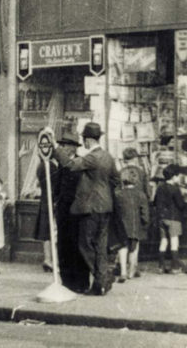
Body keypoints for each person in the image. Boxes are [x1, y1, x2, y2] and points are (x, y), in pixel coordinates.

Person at [54, 121, 121, 296]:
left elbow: (70, 165)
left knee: (84, 245)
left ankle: (103, 277)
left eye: (84, 139)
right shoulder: (107, 156)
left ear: (88, 140)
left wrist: (55, 148)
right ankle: (99, 285)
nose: (84, 142)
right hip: (105, 207)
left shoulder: (92, 157)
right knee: (100, 245)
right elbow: (116, 179)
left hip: (90, 208)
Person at [53, 125, 90, 293]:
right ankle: (67, 281)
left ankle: (80, 282)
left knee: (78, 245)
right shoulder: (60, 164)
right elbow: (57, 185)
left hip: (77, 209)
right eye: (62, 145)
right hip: (63, 209)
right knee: (63, 244)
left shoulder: (81, 163)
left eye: (66, 145)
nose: (63, 148)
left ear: (74, 147)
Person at [113, 168, 149, 282]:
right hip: (135, 226)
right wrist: (145, 223)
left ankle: (123, 271)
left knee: (122, 248)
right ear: (136, 180)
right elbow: (145, 212)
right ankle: (131, 271)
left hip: (121, 226)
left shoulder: (117, 194)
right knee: (134, 248)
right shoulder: (140, 194)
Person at [154, 165, 187, 274]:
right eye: (178, 176)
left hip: (161, 218)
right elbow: (181, 205)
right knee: (174, 242)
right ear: (174, 177)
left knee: (163, 241)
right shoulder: (175, 189)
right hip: (174, 218)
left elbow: (155, 202)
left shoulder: (160, 187)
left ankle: (160, 266)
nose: (179, 178)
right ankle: (175, 267)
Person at [34, 148, 60, 272]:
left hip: (45, 201)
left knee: (46, 232)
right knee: (54, 231)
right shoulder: (50, 167)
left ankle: (47, 259)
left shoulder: (40, 166)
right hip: (53, 202)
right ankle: (52, 260)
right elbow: (56, 186)